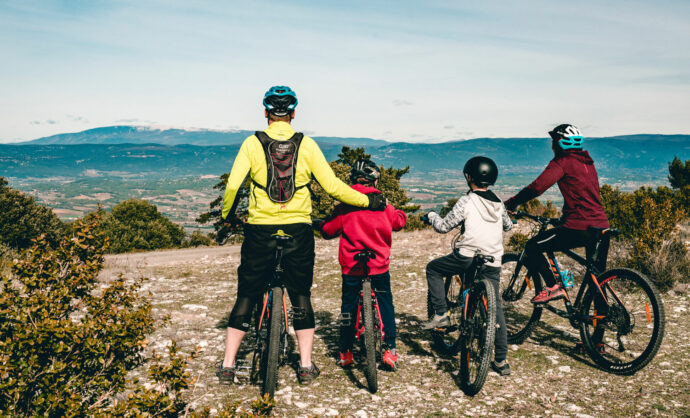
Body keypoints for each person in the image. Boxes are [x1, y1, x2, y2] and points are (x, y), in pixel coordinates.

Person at [217, 86, 387, 385]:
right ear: (294, 113)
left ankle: (229, 365)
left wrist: (227, 216)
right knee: (300, 295)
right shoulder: (306, 145)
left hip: (259, 230)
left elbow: (232, 186)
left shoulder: (251, 143)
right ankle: (306, 366)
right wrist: (368, 201)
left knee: (247, 294)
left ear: (266, 112)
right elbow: (333, 187)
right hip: (298, 230)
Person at [421, 156, 513, 376]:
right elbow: (508, 226)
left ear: (468, 176)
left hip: (467, 255)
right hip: (493, 259)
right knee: (495, 307)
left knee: (433, 269)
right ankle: (501, 360)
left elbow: (444, 227)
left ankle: (441, 313)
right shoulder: (498, 202)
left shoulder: (467, 200)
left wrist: (432, 215)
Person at [504, 124, 609, 304]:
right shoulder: (588, 163)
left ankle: (553, 287)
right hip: (601, 226)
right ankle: (600, 322)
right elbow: (584, 196)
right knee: (597, 278)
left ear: (559, 144)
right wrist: (564, 218)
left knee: (532, 246)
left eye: (553, 142)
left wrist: (512, 202)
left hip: (579, 227)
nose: (552, 147)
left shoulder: (562, 162)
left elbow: (537, 188)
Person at [320, 158, 407, 371]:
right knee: (385, 302)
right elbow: (399, 222)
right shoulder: (383, 204)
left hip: (352, 266)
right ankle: (390, 350)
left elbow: (328, 230)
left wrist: (322, 223)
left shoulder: (345, 206)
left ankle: (346, 351)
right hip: (379, 265)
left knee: (348, 305)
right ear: (375, 181)